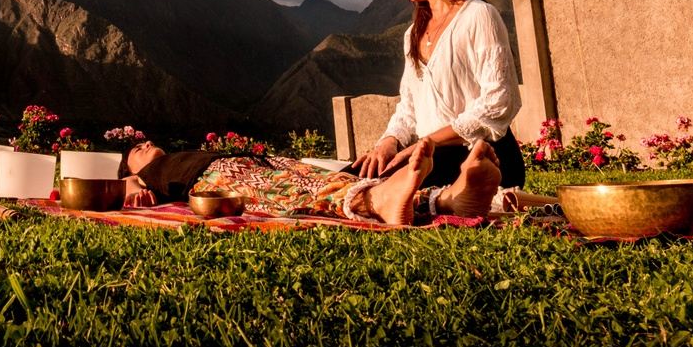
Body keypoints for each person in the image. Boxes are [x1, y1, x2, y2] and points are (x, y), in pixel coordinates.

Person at [352, 0, 526, 200]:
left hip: (480, 152)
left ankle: (457, 194)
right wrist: (390, 141)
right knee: (348, 181)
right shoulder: (413, 33)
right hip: (427, 154)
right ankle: (435, 198)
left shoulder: (479, 15)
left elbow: (498, 100)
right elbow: (409, 106)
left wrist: (430, 141)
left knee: (374, 192)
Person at [119, 137, 505, 226]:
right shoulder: (152, 174)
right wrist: (134, 187)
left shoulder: (177, 155)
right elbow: (114, 189)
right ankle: (374, 202)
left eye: (146, 140)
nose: (145, 143)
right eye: (136, 148)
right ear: (131, 168)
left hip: (263, 161)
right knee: (299, 194)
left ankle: (447, 199)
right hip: (220, 179)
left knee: (321, 177)